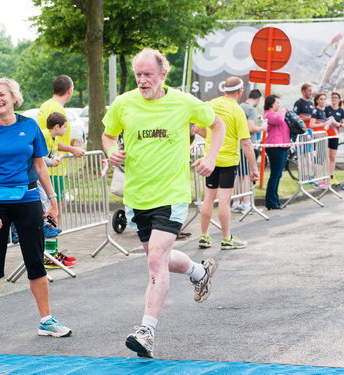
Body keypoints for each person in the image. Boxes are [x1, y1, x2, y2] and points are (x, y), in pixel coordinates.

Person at [102, 48, 225, 358]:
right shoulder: (123, 103)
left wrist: (210, 157)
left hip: (171, 194)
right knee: (159, 258)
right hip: (137, 196)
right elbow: (107, 134)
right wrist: (110, 152)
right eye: (138, 75)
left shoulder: (183, 102)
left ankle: (146, 332)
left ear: (162, 75)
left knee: (156, 259)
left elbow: (217, 124)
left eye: (148, 75)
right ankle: (198, 272)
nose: (143, 81)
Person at [0, 77, 71, 342]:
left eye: (2, 94)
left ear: (14, 98)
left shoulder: (30, 126)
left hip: (27, 200)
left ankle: (46, 320)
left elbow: (39, 166)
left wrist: (52, 199)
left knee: (36, 261)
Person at [195, 77, 259, 250]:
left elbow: (197, 128)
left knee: (208, 198)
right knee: (224, 200)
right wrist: (254, 168)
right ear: (240, 91)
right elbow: (245, 142)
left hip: (211, 160)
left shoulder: (211, 104)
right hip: (228, 161)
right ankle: (226, 238)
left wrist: (209, 139)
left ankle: (204, 236)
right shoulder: (237, 111)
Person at [37, 75, 83, 259]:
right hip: (51, 168)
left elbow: (51, 140)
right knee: (53, 208)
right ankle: (51, 253)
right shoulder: (56, 110)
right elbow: (51, 141)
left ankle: (51, 252)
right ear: (70, 90)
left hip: (47, 165)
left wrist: (70, 144)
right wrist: (73, 149)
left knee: (51, 208)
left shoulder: (45, 106)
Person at [41, 111, 79, 269]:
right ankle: (47, 255)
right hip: (38, 179)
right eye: (64, 127)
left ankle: (53, 253)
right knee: (47, 209)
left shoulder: (54, 139)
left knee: (52, 210)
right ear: (56, 126)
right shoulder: (43, 135)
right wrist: (51, 161)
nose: (65, 130)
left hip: (46, 178)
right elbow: (39, 158)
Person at [232, 88, 266, 213]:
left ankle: (236, 202)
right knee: (246, 176)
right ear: (257, 99)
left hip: (237, 145)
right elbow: (250, 128)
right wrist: (262, 127)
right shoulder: (251, 109)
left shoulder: (239, 106)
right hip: (246, 145)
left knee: (239, 175)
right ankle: (247, 204)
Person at [264, 95, 290, 210]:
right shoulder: (269, 114)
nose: (279, 105)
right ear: (271, 104)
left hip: (283, 146)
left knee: (278, 175)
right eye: (277, 103)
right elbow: (279, 120)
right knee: (275, 175)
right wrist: (283, 111)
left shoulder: (277, 114)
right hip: (275, 146)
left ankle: (275, 199)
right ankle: (271, 201)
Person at [325, 92, 344, 185]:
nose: (334, 99)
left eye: (336, 97)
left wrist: (339, 124)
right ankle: (323, 177)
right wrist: (328, 121)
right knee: (325, 157)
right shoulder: (327, 109)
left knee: (332, 157)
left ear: (339, 99)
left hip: (334, 136)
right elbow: (322, 120)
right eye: (332, 97)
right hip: (326, 135)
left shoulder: (341, 111)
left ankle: (332, 176)